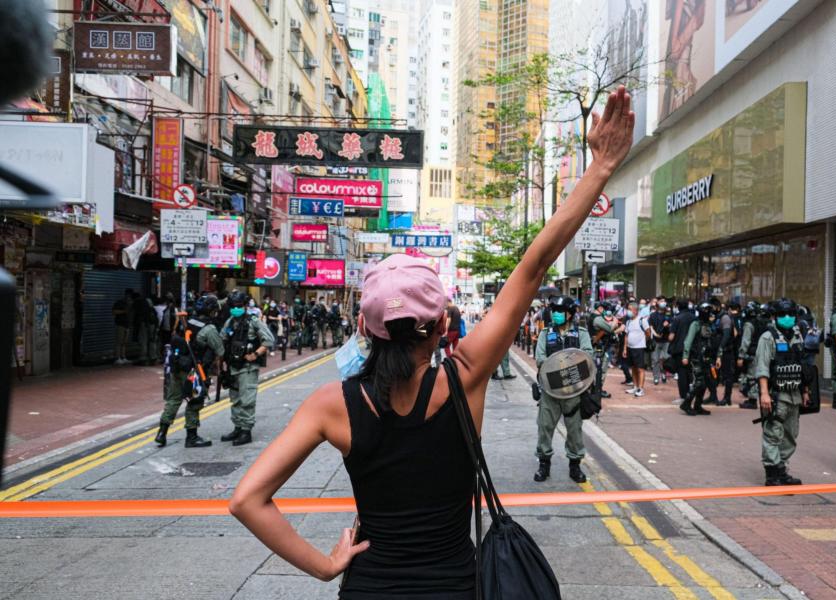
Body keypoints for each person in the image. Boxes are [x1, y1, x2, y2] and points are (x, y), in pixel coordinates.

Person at [227, 86, 635, 595]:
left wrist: (325, 565)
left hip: (370, 589)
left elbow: (246, 500)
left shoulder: (332, 404)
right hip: (457, 588)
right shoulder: (465, 377)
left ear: (364, 329)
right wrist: (600, 166)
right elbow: (533, 268)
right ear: (444, 326)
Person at [532, 295, 594, 484]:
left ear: (570, 314)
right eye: (555, 311)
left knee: (575, 430)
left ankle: (575, 465)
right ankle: (544, 464)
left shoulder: (581, 333)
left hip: (574, 391)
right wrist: (566, 363)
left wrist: (564, 364)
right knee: (545, 427)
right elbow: (540, 358)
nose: (556, 314)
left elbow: (587, 356)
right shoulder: (545, 333)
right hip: (550, 390)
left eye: (560, 311)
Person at [155, 294, 225, 448]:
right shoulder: (209, 329)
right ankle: (191, 437)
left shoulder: (187, 321)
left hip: (178, 366)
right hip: (194, 371)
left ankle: (162, 433)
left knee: (173, 400)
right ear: (211, 311)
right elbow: (220, 350)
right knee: (194, 401)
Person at [755, 298, 811, 486]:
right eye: (782, 315)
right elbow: (762, 368)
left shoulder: (797, 335)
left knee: (791, 434)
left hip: (794, 393)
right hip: (775, 395)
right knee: (773, 433)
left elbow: (803, 366)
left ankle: (781, 469)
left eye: (790, 315)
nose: (786, 318)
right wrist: (764, 394)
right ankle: (772, 475)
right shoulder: (767, 337)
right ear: (774, 316)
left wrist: (805, 390)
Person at [221, 290, 276, 446]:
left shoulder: (253, 321)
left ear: (244, 306)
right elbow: (222, 339)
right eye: (233, 306)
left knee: (247, 400)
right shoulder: (230, 322)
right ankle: (237, 427)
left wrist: (256, 355)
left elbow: (269, 340)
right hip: (233, 366)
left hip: (248, 368)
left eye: (238, 306)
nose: (235, 308)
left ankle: (246, 430)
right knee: (235, 399)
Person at [680, 302, 718, 416]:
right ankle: (686, 403)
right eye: (707, 311)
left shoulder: (709, 325)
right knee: (699, 382)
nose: (709, 313)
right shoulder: (695, 324)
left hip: (707, 358)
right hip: (696, 357)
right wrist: (685, 356)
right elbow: (688, 341)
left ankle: (698, 405)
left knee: (705, 382)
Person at [588, 302, 623, 398]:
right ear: (600, 308)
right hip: (598, 347)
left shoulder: (593, 316)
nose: (607, 311)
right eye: (605, 309)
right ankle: (597, 390)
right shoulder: (597, 318)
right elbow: (609, 328)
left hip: (598, 346)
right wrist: (615, 321)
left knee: (597, 368)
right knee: (601, 369)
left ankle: (595, 389)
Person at [668, 299, 696, 403]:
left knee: (682, 373)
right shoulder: (694, 318)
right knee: (690, 372)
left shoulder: (677, 319)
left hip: (680, 349)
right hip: (692, 348)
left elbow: (671, 337)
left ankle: (683, 396)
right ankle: (690, 394)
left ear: (678, 307)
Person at [737, 302, 762, 409]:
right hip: (760, 352)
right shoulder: (761, 322)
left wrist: (741, 356)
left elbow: (745, 342)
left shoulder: (749, 324)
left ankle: (752, 401)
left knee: (752, 377)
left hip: (752, 354)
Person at [716, 302, 740, 406]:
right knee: (727, 375)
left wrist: (720, 348)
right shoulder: (729, 318)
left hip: (727, 351)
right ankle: (726, 397)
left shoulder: (725, 318)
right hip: (728, 349)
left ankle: (727, 398)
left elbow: (728, 335)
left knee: (728, 375)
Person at [622, 302, 647, 397]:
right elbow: (626, 336)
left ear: (635, 310)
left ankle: (641, 389)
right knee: (633, 368)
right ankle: (635, 386)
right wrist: (625, 348)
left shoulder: (642, 320)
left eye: (630, 309)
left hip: (639, 348)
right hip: (630, 348)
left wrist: (642, 341)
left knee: (640, 368)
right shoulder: (628, 321)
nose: (628, 311)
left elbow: (648, 332)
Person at [648, 298, 670, 385]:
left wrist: (668, 325)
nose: (663, 303)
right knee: (655, 359)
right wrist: (655, 334)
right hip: (656, 341)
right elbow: (650, 326)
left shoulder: (668, 314)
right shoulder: (653, 315)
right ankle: (656, 377)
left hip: (666, 340)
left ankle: (664, 373)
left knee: (665, 358)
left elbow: (673, 325)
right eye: (661, 301)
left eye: (664, 301)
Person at [112, 288, 133, 364]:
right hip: (120, 324)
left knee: (124, 342)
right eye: (129, 295)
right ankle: (117, 358)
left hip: (127, 325)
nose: (129, 297)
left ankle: (123, 357)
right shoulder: (120, 302)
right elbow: (114, 312)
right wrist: (124, 311)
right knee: (119, 341)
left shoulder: (130, 303)